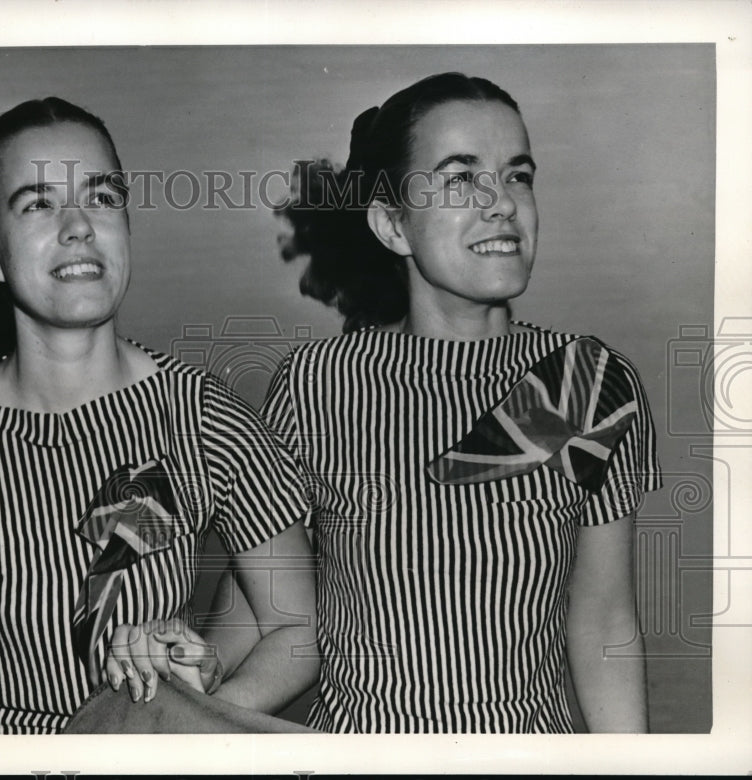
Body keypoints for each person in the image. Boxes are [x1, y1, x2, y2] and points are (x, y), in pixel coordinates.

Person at [132, 72, 662, 733]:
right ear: (391, 224)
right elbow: (262, 606)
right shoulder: (316, 385)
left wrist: (633, 764)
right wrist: (204, 677)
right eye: (462, 178)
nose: (503, 203)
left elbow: (604, 617)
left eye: (519, 175)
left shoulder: (588, 380)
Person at [0, 97, 317, 734]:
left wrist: (183, 715)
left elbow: (297, 627)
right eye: (39, 203)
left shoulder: (205, 414)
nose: (79, 225)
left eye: (102, 197)